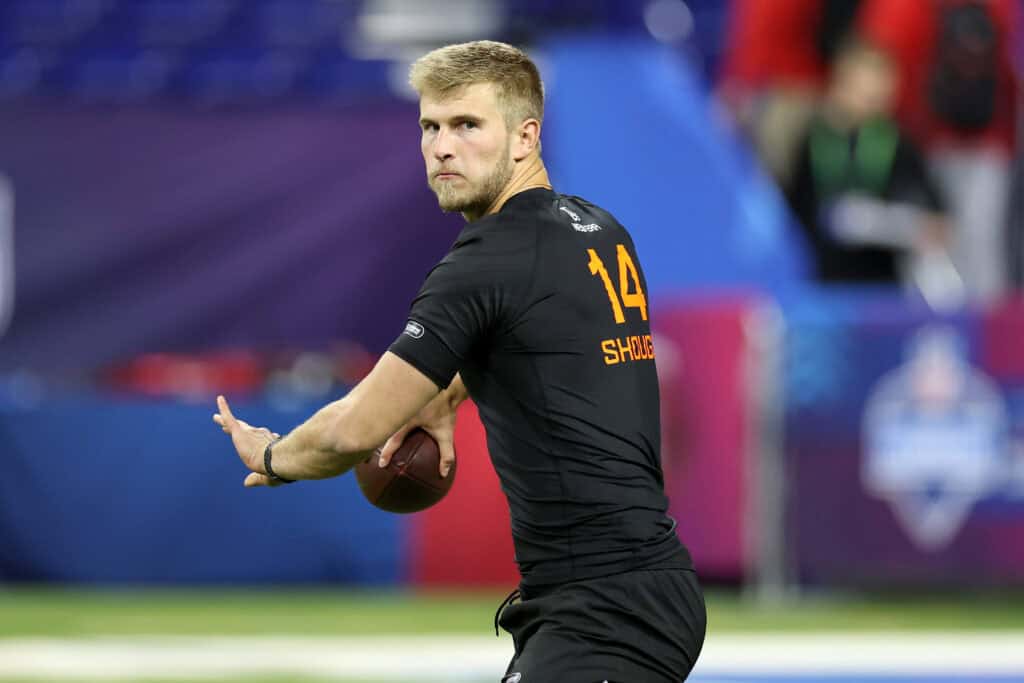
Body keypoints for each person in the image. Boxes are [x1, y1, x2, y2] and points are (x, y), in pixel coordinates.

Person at [213, 40, 706, 682]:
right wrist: (447, 398)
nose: (442, 146)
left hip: (603, 605)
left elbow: (356, 428)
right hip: (634, 584)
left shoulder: (485, 261)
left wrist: (275, 457)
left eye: (467, 125)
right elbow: (549, 346)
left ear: (526, 136)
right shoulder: (600, 229)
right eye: (430, 126)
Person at [785, 38, 960, 305]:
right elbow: (792, 209)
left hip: (882, 286)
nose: (873, 103)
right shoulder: (812, 140)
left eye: (880, 95)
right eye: (864, 92)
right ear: (840, 86)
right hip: (823, 284)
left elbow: (937, 219)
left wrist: (885, 223)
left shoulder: (898, 143)